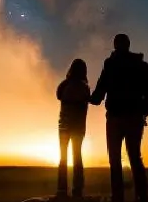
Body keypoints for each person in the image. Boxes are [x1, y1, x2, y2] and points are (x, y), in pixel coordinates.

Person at [90, 34, 148, 202]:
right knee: (134, 157)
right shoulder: (142, 66)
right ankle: (142, 197)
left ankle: (118, 197)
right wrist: (143, 112)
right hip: (134, 118)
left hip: (115, 118)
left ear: (115, 45)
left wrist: (84, 96)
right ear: (128, 45)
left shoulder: (110, 65)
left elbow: (98, 95)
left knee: (115, 160)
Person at [56, 58, 90, 199]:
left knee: (63, 158)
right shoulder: (84, 87)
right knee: (77, 157)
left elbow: (58, 95)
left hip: (64, 126)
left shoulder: (65, 84)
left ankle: (62, 190)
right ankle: (77, 191)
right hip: (78, 127)